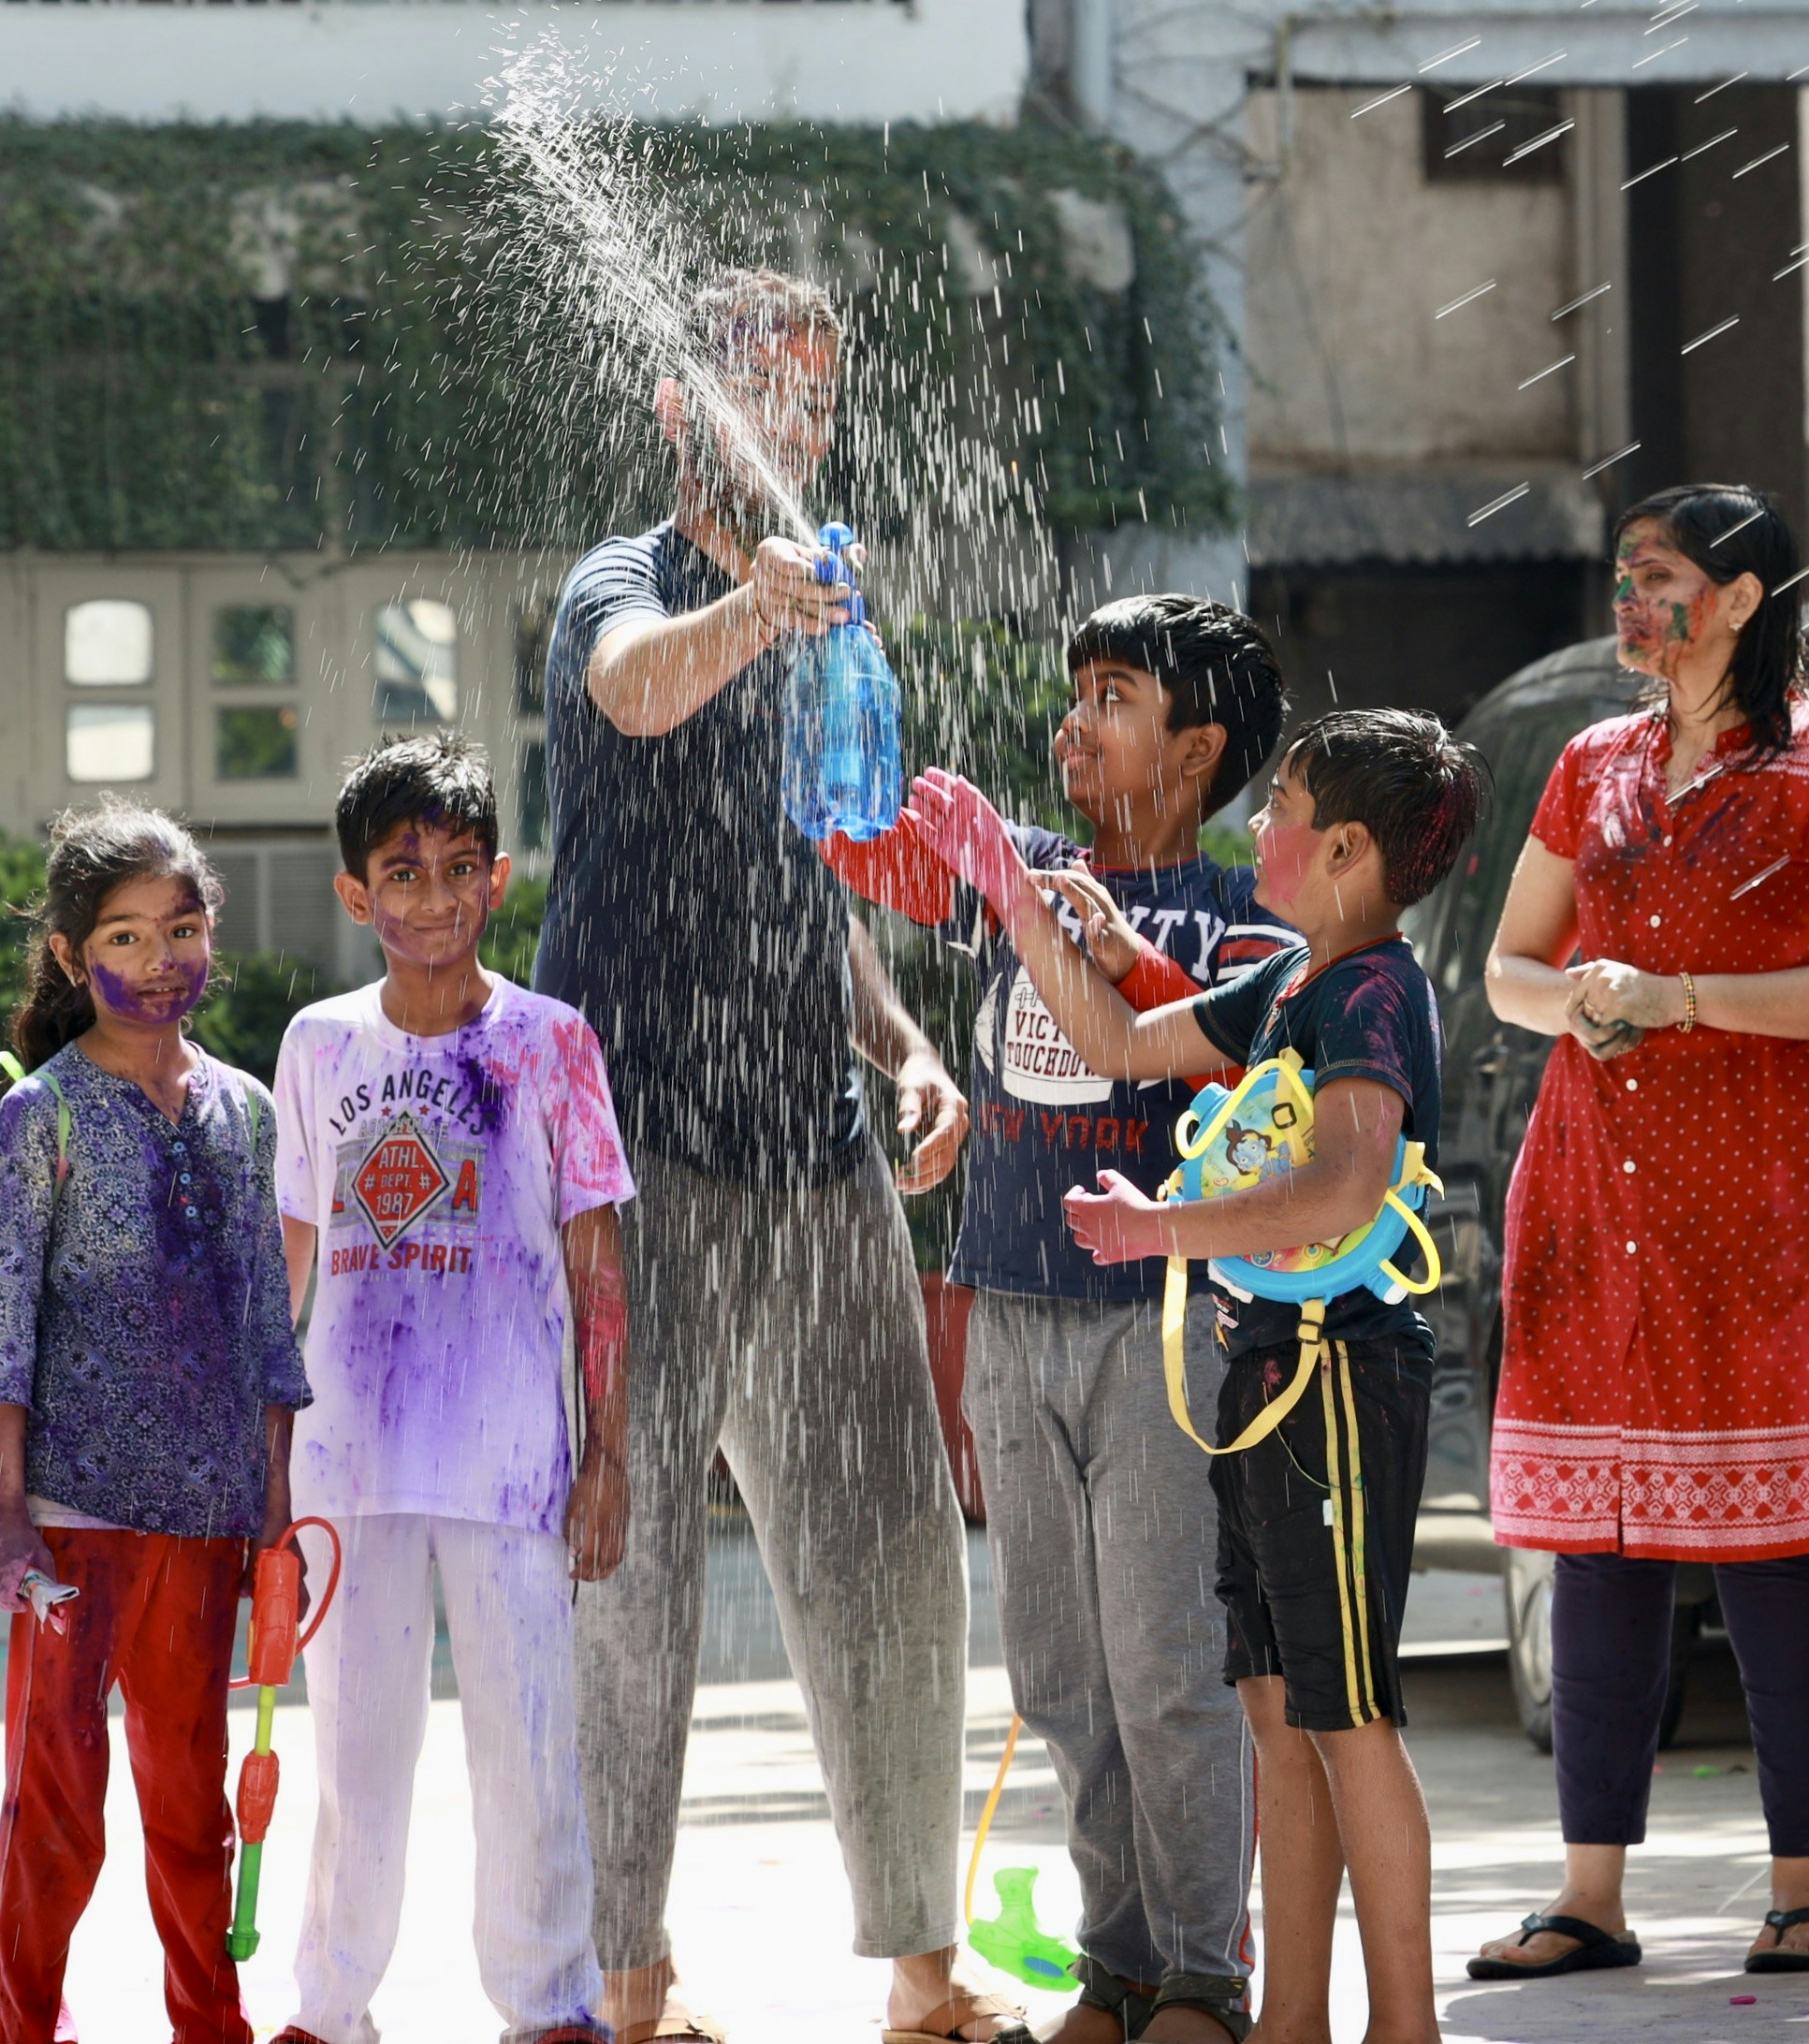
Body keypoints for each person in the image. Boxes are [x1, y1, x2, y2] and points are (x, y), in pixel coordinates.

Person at [534, 267, 992, 2044]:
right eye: (761, 391)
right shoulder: (629, 585)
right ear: (682, 405)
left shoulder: (832, 613)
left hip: (817, 1147)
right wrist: (755, 604)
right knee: (629, 1565)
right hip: (635, 1158)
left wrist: (912, 1049)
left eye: (815, 396)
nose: (792, 423)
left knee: (890, 1545)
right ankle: (630, 1983)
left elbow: (811, 886)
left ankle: (920, 1975)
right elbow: (636, 691)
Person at [908, 707, 1481, 2044]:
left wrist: (1160, 1228)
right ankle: (1286, 2017)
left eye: (1279, 809)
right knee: (1276, 1712)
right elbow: (1116, 1042)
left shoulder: (1371, 990)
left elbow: (1341, 1183)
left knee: (1349, 1717)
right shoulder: (1290, 985)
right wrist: (1004, 882)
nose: (1258, 826)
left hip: (1339, 1374)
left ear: (1342, 850)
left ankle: (1405, 2026)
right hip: (1264, 1373)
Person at [1469, 485, 1809, 1981]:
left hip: (1766, 1202)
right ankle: (1589, 1892)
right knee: (1597, 1545)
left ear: (1736, 598)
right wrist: (1584, 997)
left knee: (1776, 1546)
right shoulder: (1590, 764)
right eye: (1622, 576)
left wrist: (1683, 1001)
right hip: (1594, 1194)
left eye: (1655, 578)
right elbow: (1507, 972)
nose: (1627, 600)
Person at [826, 594, 1293, 2044]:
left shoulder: (1239, 919)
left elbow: (1247, 1089)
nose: (1072, 723)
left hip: (1163, 1329)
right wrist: (837, 676)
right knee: (1059, 1675)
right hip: (1011, 1315)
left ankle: (1205, 1977)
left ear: (1198, 749)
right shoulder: (1008, 865)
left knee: (1165, 1669)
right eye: (1074, 691)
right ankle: (1120, 1965)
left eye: (1113, 699)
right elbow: (847, 837)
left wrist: (1027, 899)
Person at [270, 735, 634, 2044]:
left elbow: (599, 1266)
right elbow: (289, 1266)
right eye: (401, 872)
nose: (431, 897)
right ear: (356, 896)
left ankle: (548, 2007)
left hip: (512, 1465)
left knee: (527, 1760)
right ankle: (330, 2007)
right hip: (347, 1472)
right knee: (356, 1765)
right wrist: (264, 1467)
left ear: (498, 881)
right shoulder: (318, 1046)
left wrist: (608, 1456)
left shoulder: (551, 1043)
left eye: (458, 869)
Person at [0, 801, 311, 2044]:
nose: (159, 961)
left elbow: (267, 1336)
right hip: (69, 1536)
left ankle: (210, 2028)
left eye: (181, 929)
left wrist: (275, 1518)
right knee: (56, 1814)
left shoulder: (244, 1112)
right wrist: (11, 1520)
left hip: (204, 1528)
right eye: (124, 939)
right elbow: (6, 1328)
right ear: (78, 960)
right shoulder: (42, 1119)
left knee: (195, 1818)